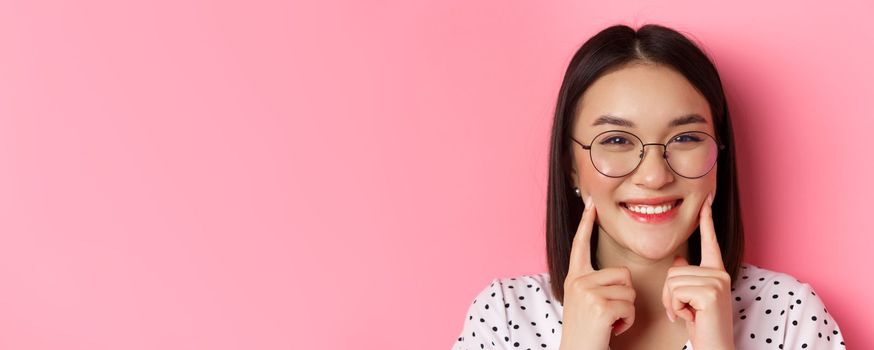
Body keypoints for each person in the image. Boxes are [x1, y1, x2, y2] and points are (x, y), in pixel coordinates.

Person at [451, 23, 846, 350]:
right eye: (617, 140)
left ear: (719, 158)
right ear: (570, 166)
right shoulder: (504, 315)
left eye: (686, 138)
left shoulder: (789, 314)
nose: (655, 176)